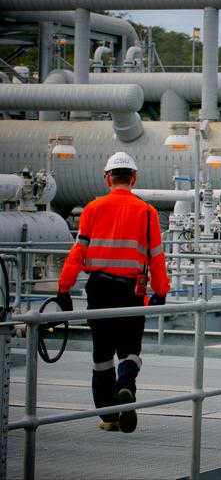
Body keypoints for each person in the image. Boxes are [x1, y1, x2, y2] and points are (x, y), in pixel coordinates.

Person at [57, 152, 170, 433]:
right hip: (132, 292)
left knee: (102, 355)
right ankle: (125, 385)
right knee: (130, 351)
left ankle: (109, 418)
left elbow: (78, 250)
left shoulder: (93, 209)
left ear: (107, 178)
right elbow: (156, 256)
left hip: (99, 290)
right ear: (133, 179)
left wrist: (63, 288)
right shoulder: (147, 212)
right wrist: (161, 291)